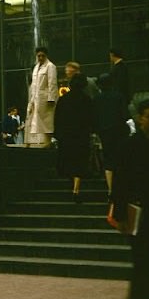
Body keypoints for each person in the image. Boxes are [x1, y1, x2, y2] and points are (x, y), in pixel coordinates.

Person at [110, 99, 149, 299]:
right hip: (136, 210)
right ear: (140, 118)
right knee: (143, 262)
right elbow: (120, 181)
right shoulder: (130, 145)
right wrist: (120, 215)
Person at [53, 74, 93, 203]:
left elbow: (57, 118)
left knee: (69, 160)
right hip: (81, 135)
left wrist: (57, 134)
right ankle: (76, 189)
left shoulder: (64, 99)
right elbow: (91, 119)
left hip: (66, 136)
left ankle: (71, 185)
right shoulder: (87, 100)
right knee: (80, 161)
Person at [93, 73, 130, 196]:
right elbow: (125, 114)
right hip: (119, 131)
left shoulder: (97, 99)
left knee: (108, 159)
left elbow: (95, 118)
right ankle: (122, 186)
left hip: (104, 132)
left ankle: (110, 189)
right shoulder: (118, 96)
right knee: (120, 158)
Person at [26, 47, 58, 147]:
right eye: (38, 56)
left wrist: (51, 98)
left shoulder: (50, 66)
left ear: (46, 55)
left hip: (45, 98)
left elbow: (52, 83)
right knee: (33, 120)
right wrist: (31, 100)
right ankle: (32, 141)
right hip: (36, 98)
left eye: (42, 55)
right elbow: (34, 85)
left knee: (47, 121)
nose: (40, 57)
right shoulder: (36, 67)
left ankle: (48, 141)